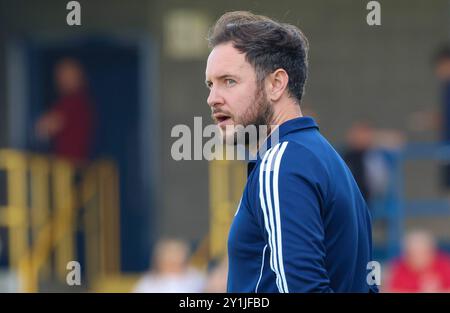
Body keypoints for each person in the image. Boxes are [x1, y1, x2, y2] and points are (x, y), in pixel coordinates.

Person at [205, 11, 377, 292]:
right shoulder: (324, 158)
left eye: (229, 81)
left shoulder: (281, 164)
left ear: (276, 84)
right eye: (210, 84)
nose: (213, 98)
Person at [35, 58, 95, 165]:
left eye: (67, 75)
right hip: (72, 167)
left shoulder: (74, 102)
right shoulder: (74, 102)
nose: (62, 80)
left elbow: (45, 127)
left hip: (68, 168)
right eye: (60, 76)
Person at [385, 230, 450, 292]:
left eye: (423, 252)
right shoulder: (399, 267)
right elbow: (391, 289)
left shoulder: (444, 264)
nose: (419, 257)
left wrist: (438, 290)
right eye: (413, 254)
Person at [133, 238, 206, 293]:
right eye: (169, 256)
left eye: (177, 254)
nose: (174, 261)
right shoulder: (147, 282)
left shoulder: (196, 278)